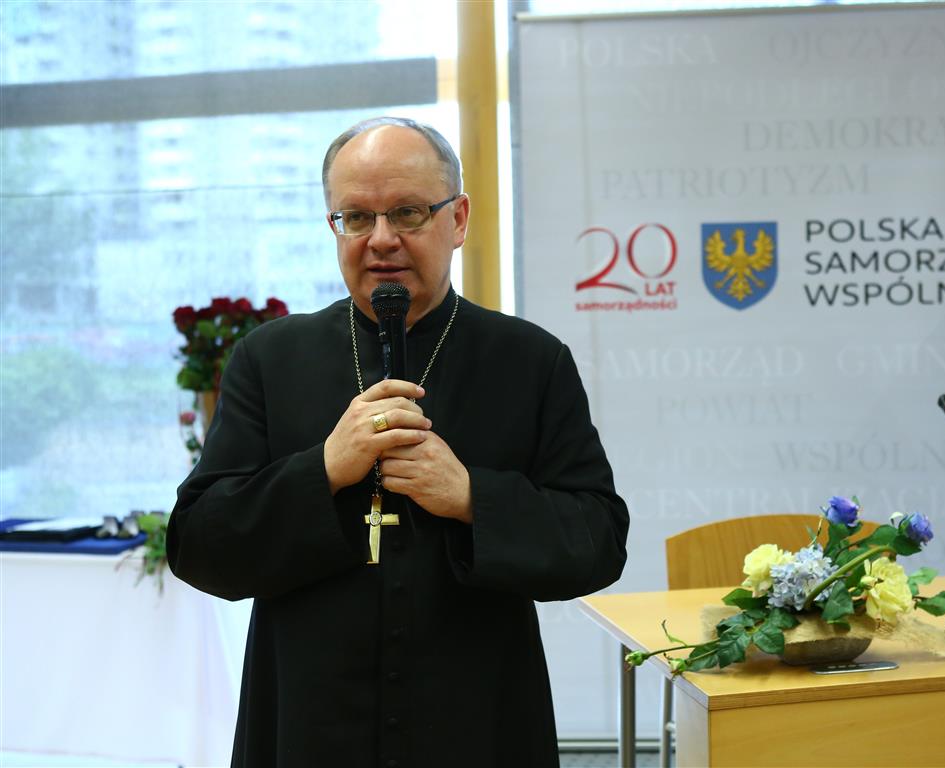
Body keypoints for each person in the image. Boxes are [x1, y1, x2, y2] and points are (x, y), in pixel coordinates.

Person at [167, 116, 629, 768]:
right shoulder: (269, 360)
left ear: (458, 219)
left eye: (408, 212)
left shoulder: (530, 361)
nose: (381, 239)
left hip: (477, 725)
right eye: (356, 217)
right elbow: (199, 546)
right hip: (308, 726)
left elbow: (600, 542)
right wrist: (325, 469)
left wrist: (472, 498)